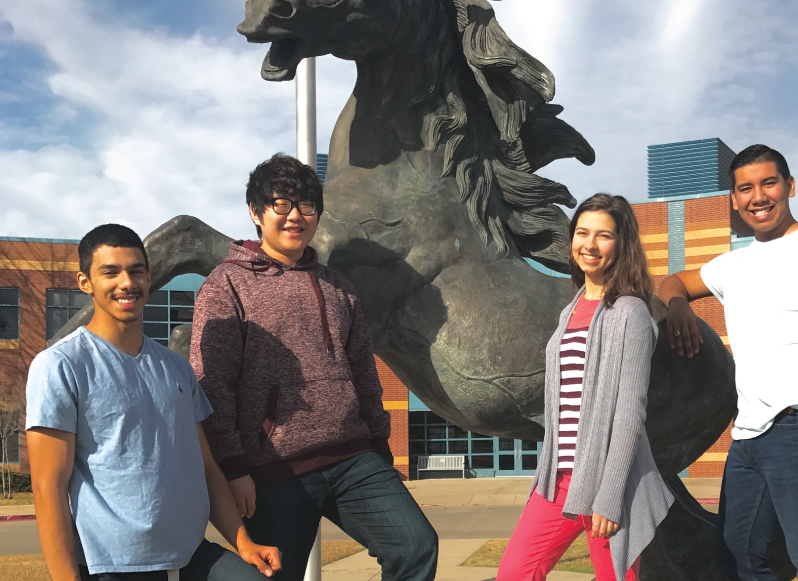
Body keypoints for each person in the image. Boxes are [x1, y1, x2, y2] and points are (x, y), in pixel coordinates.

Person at [189, 153, 437, 581]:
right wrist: (235, 469)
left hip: (354, 458)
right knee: (275, 575)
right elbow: (213, 388)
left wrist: (380, 446)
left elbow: (363, 372)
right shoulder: (226, 285)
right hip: (273, 471)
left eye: (306, 205)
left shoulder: (339, 286)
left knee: (415, 546)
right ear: (255, 211)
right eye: (281, 204)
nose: (294, 216)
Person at [26, 224, 282, 581]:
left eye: (136, 270)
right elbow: (48, 486)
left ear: (149, 277)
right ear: (85, 282)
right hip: (114, 563)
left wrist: (243, 543)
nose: (126, 283)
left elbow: (206, 467)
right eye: (110, 272)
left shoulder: (176, 367)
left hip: (192, 552)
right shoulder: (60, 365)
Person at [658, 144, 798, 581]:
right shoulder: (734, 264)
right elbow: (672, 282)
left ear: (789, 186)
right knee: (738, 560)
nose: (758, 196)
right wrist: (679, 308)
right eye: (745, 188)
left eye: (768, 183)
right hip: (747, 439)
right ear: (733, 198)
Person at [496, 194, 674, 581]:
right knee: (514, 573)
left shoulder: (632, 313)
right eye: (582, 233)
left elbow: (629, 414)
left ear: (622, 244)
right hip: (558, 479)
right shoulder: (570, 309)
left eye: (604, 236)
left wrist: (609, 496)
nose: (589, 245)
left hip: (606, 481)